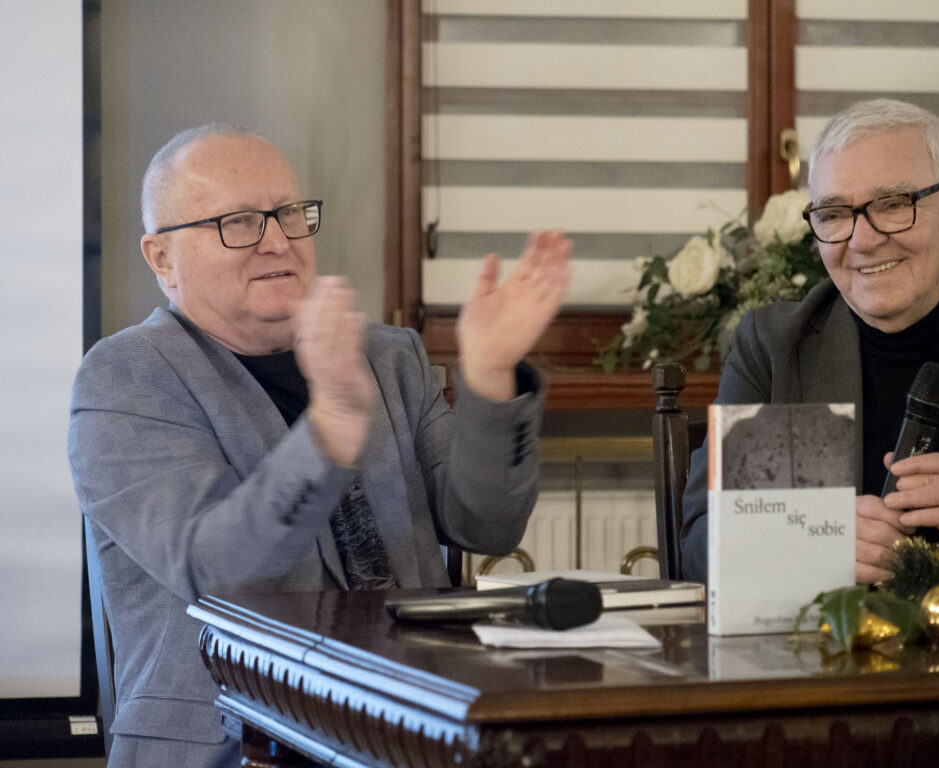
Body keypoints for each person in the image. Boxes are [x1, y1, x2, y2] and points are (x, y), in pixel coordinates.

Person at [68, 124, 572, 767]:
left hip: (414, 729)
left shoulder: (389, 356)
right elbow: (219, 573)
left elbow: (487, 524)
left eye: (289, 214)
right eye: (238, 222)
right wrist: (330, 427)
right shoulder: (125, 379)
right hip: (234, 743)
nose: (277, 240)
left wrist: (491, 375)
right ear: (161, 257)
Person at [680, 98, 939, 585]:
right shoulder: (778, 349)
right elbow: (701, 544)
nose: (862, 241)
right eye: (835, 214)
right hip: (832, 634)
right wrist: (815, 544)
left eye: (894, 205)